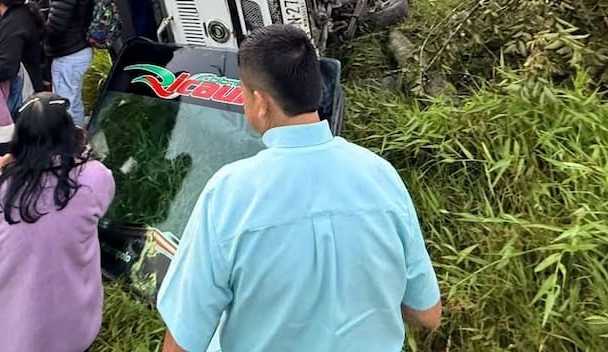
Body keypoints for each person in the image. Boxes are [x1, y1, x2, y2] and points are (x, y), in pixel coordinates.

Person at [157, 25, 443, 352]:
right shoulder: (381, 175)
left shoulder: (229, 193)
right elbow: (428, 313)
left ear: (261, 103)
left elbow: (184, 338)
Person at [0, 92, 114, 352]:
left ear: (19, 140)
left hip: (5, 338)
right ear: (69, 132)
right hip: (75, 330)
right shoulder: (95, 178)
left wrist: (0, 178)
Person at [45, 0, 95, 126]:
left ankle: (74, 145)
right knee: (73, 98)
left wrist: (37, 27)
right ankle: (80, 134)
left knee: (66, 101)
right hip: (81, 47)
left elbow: (55, 28)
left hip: (69, 54)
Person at [0, 0, 46, 117]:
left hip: (22, 92)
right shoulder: (22, 12)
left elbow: (7, 67)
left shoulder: (13, 25)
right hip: (32, 79)